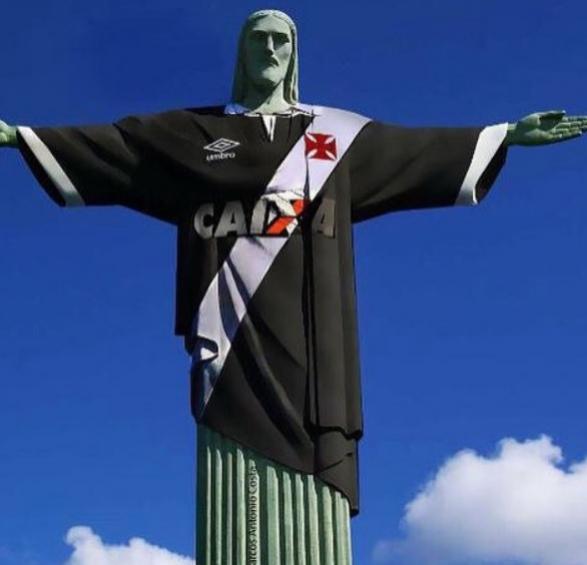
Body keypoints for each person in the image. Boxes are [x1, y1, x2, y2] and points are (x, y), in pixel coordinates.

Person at [2, 8, 586, 563]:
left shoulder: (334, 137)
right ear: (242, 52)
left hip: (315, 348)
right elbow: (117, 147)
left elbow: (417, 151)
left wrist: (504, 135)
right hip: (230, 337)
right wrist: (22, 137)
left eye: (281, 39)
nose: (270, 49)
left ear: (294, 53)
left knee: (313, 450)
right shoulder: (198, 134)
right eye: (259, 38)